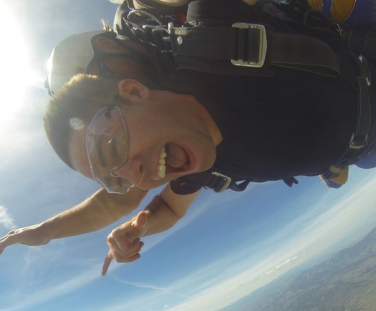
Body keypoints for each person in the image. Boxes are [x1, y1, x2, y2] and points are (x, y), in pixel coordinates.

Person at [1, 0, 376, 277]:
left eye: (113, 144)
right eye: (115, 178)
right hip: (364, 148)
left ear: (132, 91)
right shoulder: (185, 156)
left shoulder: (208, 37)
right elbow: (137, 206)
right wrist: (46, 232)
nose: (134, 175)